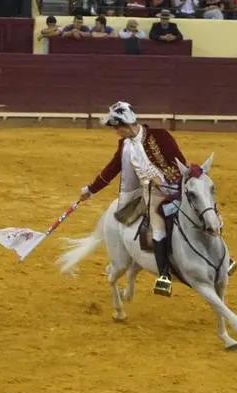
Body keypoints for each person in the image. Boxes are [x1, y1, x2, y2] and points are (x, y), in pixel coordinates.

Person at [79, 102, 187, 297]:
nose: (116, 132)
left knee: (204, 210)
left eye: (117, 128)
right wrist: (91, 190)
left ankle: (222, 259)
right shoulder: (125, 145)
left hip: (177, 188)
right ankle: (164, 274)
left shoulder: (160, 136)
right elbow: (112, 169)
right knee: (159, 225)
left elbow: (181, 163)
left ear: (126, 124)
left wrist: (168, 182)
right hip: (152, 194)